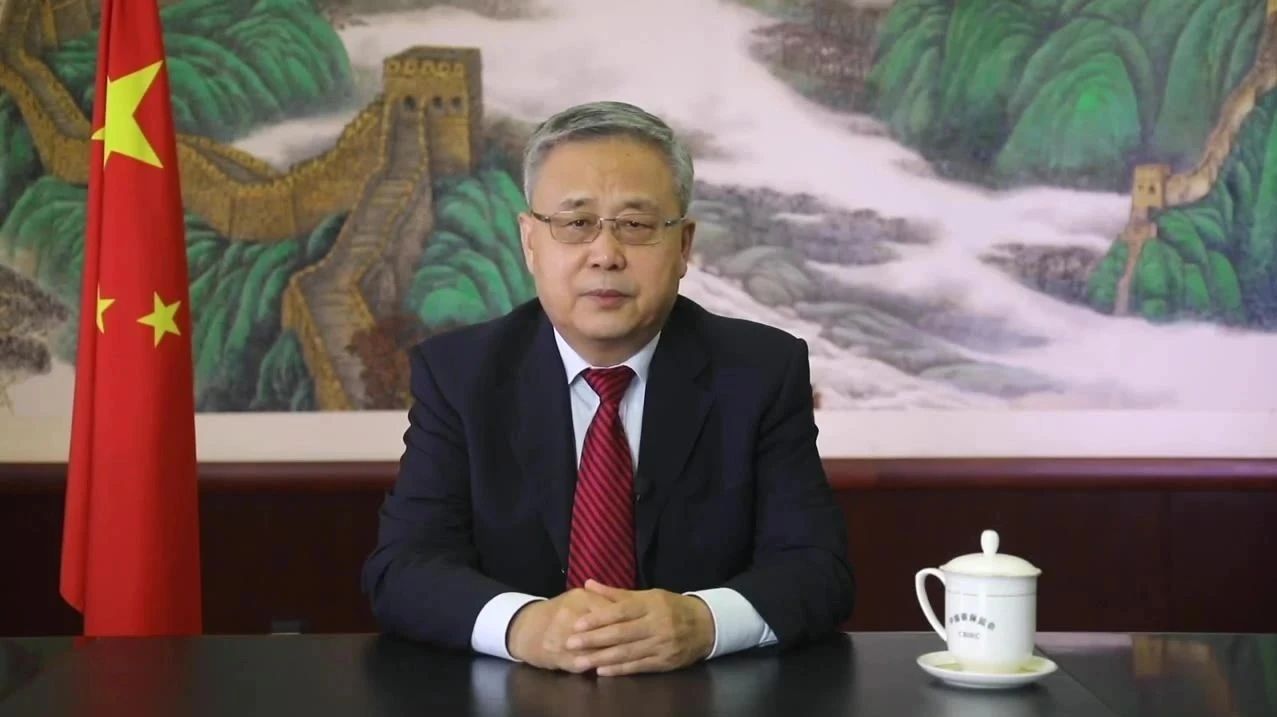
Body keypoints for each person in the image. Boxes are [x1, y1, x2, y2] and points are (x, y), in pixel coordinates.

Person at [361, 101, 854, 676]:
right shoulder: (460, 375)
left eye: (636, 225)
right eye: (576, 224)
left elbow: (818, 570)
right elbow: (403, 568)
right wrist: (525, 626)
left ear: (684, 246)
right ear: (530, 242)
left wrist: (702, 622)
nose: (605, 255)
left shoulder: (761, 371)